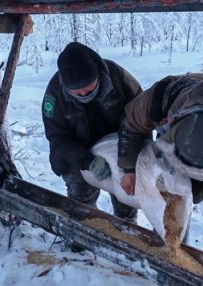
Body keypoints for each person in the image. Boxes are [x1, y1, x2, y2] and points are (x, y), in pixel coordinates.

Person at [117, 73, 203, 267]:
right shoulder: (159, 99)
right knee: (169, 204)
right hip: (180, 141)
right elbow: (130, 124)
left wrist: (194, 193)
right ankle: (172, 255)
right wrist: (128, 168)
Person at [42, 42, 142, 223]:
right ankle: (83, 230)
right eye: (76, 91)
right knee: (81, 197)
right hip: (77, 150)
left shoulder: (118, 78)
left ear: (97, 74)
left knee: (126, 193)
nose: (83, 94)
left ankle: (127, 230)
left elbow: (140, 117)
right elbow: (57, 137)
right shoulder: (54, 94)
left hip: (119, 145)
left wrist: (132, 162)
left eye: (88, 88)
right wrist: (87, 160)